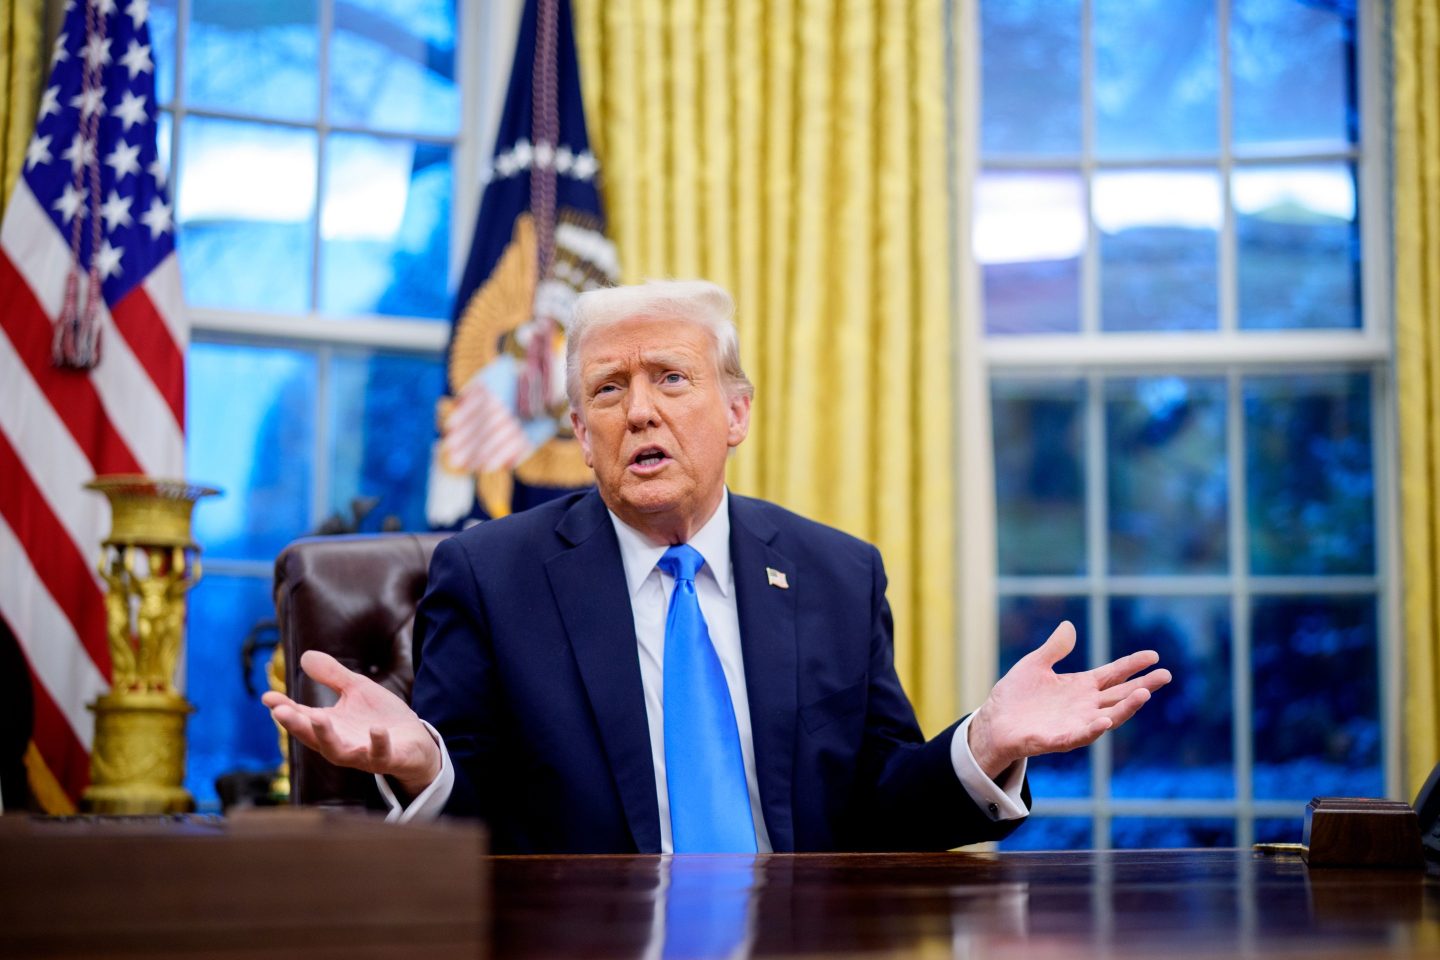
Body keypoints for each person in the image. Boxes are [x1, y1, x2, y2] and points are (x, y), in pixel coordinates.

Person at [263, 280, 1171, 854]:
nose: (639, 412)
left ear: (735, 413)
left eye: (671, 378)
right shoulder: (493, 574)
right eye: (607, 391)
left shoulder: (835, 574)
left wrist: (985, 745)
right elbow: (479, 817)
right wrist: (424, 763)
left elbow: (877, 811)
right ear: (579, 436)